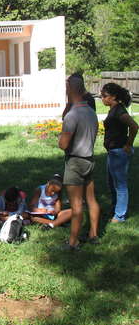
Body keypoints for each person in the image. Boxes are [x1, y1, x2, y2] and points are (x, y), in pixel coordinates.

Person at [59, 74, 101, 249]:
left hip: (75, 162)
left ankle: (73, 242)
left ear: (70, 88)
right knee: (91, 199)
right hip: (89, 160)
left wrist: (60, 138)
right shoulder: (91, 112)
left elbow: (63, 144)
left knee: (76, 205)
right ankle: (93, 234)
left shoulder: (72, 115)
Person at [101, 82, 138, 223]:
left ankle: (120, 215)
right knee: (111, 183)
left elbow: (134, 126)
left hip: (119, 152)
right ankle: (115, 209)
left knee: (120, 185)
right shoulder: (113, 109)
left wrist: (128, 144)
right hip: (112, 152)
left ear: (113, 97)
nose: (102, 98)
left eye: (104, 96)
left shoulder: (119, 111)